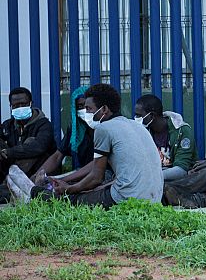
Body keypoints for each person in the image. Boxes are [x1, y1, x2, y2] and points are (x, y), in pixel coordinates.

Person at [6, 83, 162, 208]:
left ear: (104, 110)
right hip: (154, 198)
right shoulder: (136, 126)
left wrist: (68, 188)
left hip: (126, 199)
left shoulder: (103, 128)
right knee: (91, 189)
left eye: (88, 109)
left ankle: (32, 193)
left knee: (71, 200)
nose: (85, 113)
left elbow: (96, 177)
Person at [1, 87, 55, 202]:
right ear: (11, 106)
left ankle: (11, 188)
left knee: (31, 144)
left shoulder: (44, 125)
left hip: (37, 172)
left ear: (31, 104)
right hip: (12, 169)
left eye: (23, 104)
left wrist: (10, 152)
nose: (20, 107)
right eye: (15, 105)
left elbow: (39, 147)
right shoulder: (8, 125)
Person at [35, 86, 96, 180]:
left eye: (87, 106)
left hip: (104, 174)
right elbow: (58, 155)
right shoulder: (76, 129)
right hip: (83, 173)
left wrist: (64, 180)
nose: (84, 110)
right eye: (80, 107)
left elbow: (98, 163)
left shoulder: (106, 127)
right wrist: (37, 175)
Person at [134, 94, 197, 181]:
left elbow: (181, 170)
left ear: (151, 116)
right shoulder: (143, 131)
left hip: (177, 179)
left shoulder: (182, 131)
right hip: (153, 177)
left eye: (139, 115)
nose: (136, 119)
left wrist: (150, 177)